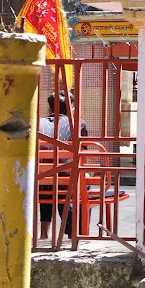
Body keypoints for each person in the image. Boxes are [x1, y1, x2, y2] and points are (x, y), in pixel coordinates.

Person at [37, 92, 87, 242]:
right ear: (71, 107)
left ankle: (44, 234)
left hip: (41, 181)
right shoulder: (78, 123)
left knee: (48, 180)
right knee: (79, 186)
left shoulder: (38, 123)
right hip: (67, 182)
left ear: (50, 107)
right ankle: (74, 233)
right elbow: (82, 153)